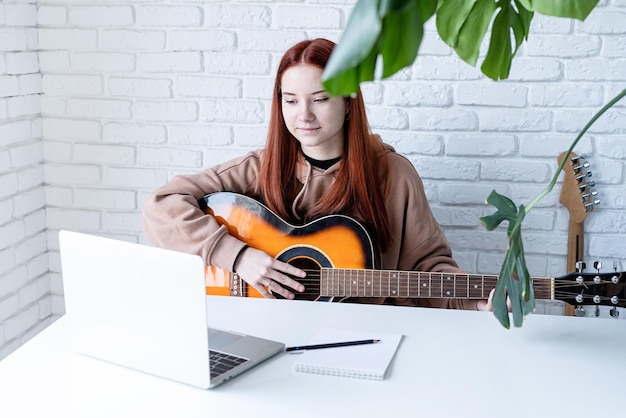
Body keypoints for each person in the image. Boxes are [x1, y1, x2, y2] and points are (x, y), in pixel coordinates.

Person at [143, 38, 492, 311]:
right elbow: (161, 206)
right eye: (290, 100)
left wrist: (474, 299)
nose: (303, 115)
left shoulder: (394, 175)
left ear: (349, 102)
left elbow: (428, 267)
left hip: (371, 332)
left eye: (320, 99)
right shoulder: (259, 168)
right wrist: (238, 257)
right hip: (271, 327)